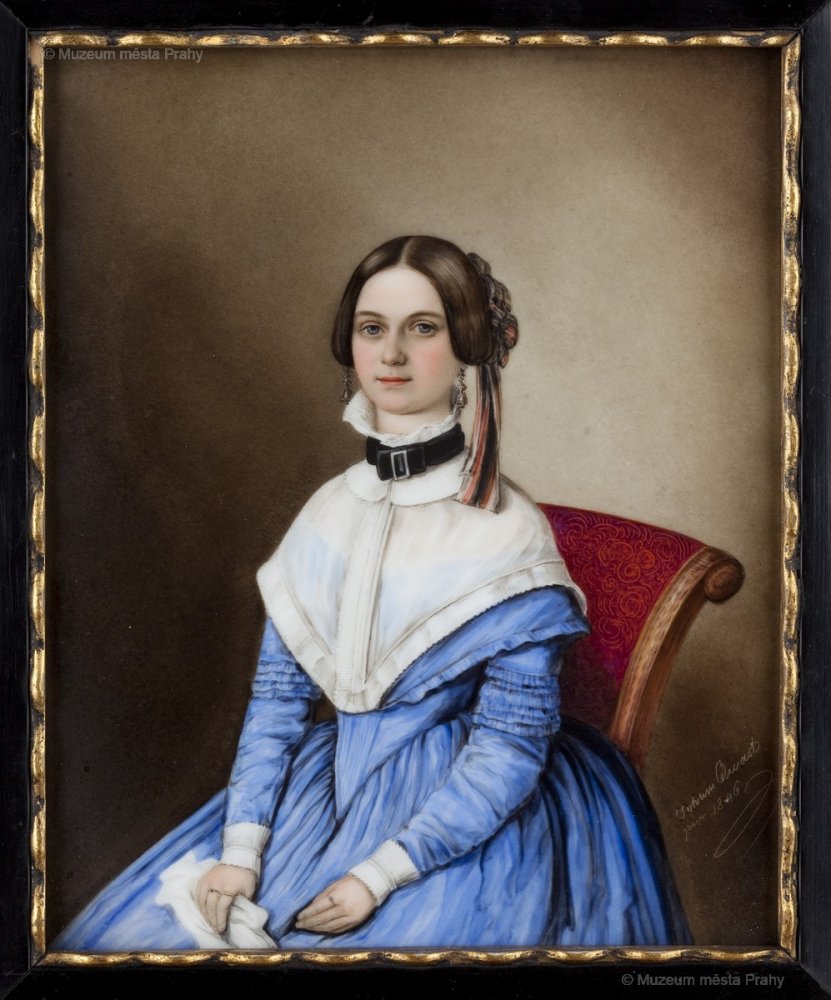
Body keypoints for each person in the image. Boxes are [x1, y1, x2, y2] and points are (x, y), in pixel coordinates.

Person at [54, 235, 690, 951]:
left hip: (465, 816)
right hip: (328, 788)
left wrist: (379, 875)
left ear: (465, 347)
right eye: (371, 328)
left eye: (422, 328)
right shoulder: (329, 510)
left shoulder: (507, 531)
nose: (391, 354)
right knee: (143, 934)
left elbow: (510, 745)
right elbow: (278, 702)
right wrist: (242, 850)